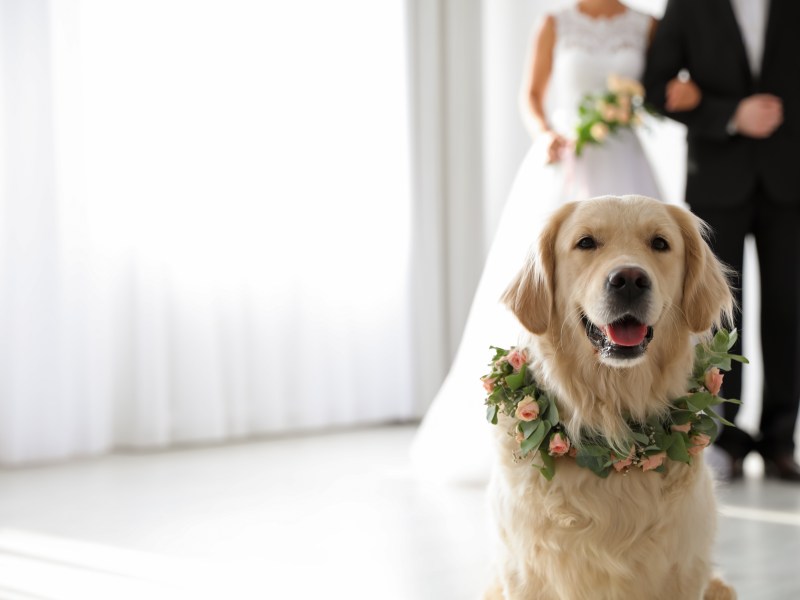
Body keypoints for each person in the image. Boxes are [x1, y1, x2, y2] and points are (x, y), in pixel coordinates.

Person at [411, 0, 692, 485]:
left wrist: (678, 94)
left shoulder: (648, 25)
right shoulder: (553, 23)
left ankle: (653, 428)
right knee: (550, 293)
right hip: (568, 157)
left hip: (625, 156)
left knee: (644, 276)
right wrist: (544, 133)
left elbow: (664, 86)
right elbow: (532, 95)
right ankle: (543, 420)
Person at [644, 0, 800, 482]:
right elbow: (654, 89)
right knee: (716, 313)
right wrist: (731, 114)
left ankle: (780, 441)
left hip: (790, 179)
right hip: (716, 180)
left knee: (787, 308)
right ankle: (722, 438)